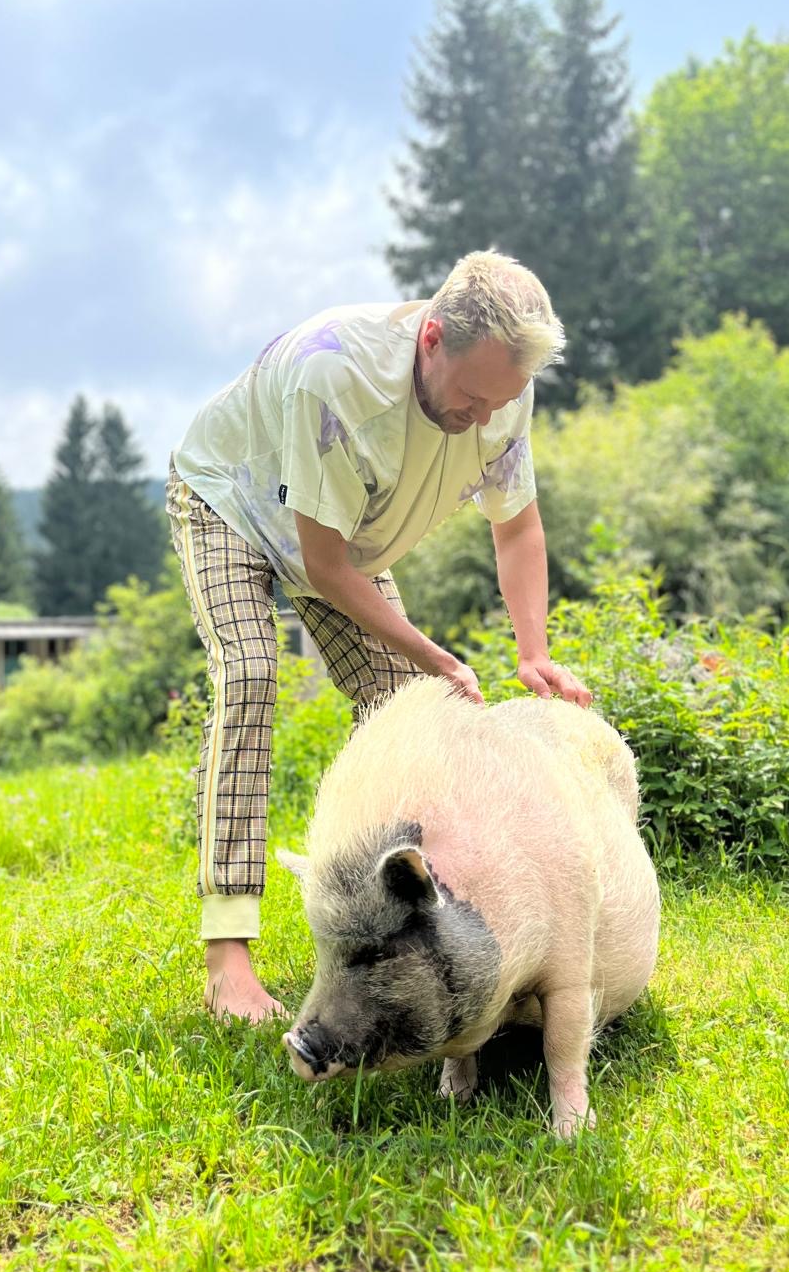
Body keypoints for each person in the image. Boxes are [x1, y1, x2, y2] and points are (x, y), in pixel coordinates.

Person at [167, 249, 591, 1023]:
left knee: (408, 706)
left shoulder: (501, 393)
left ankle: (395, 924)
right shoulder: (337, 378)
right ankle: (228, 955)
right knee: (253, 674)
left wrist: (533, 651)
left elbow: (518, 526)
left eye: (504, 399)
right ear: (432, 338)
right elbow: (324, 568)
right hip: (229, 500)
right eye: (471, 396)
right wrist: (436, 650)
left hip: (339, 532)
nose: (485, 418)